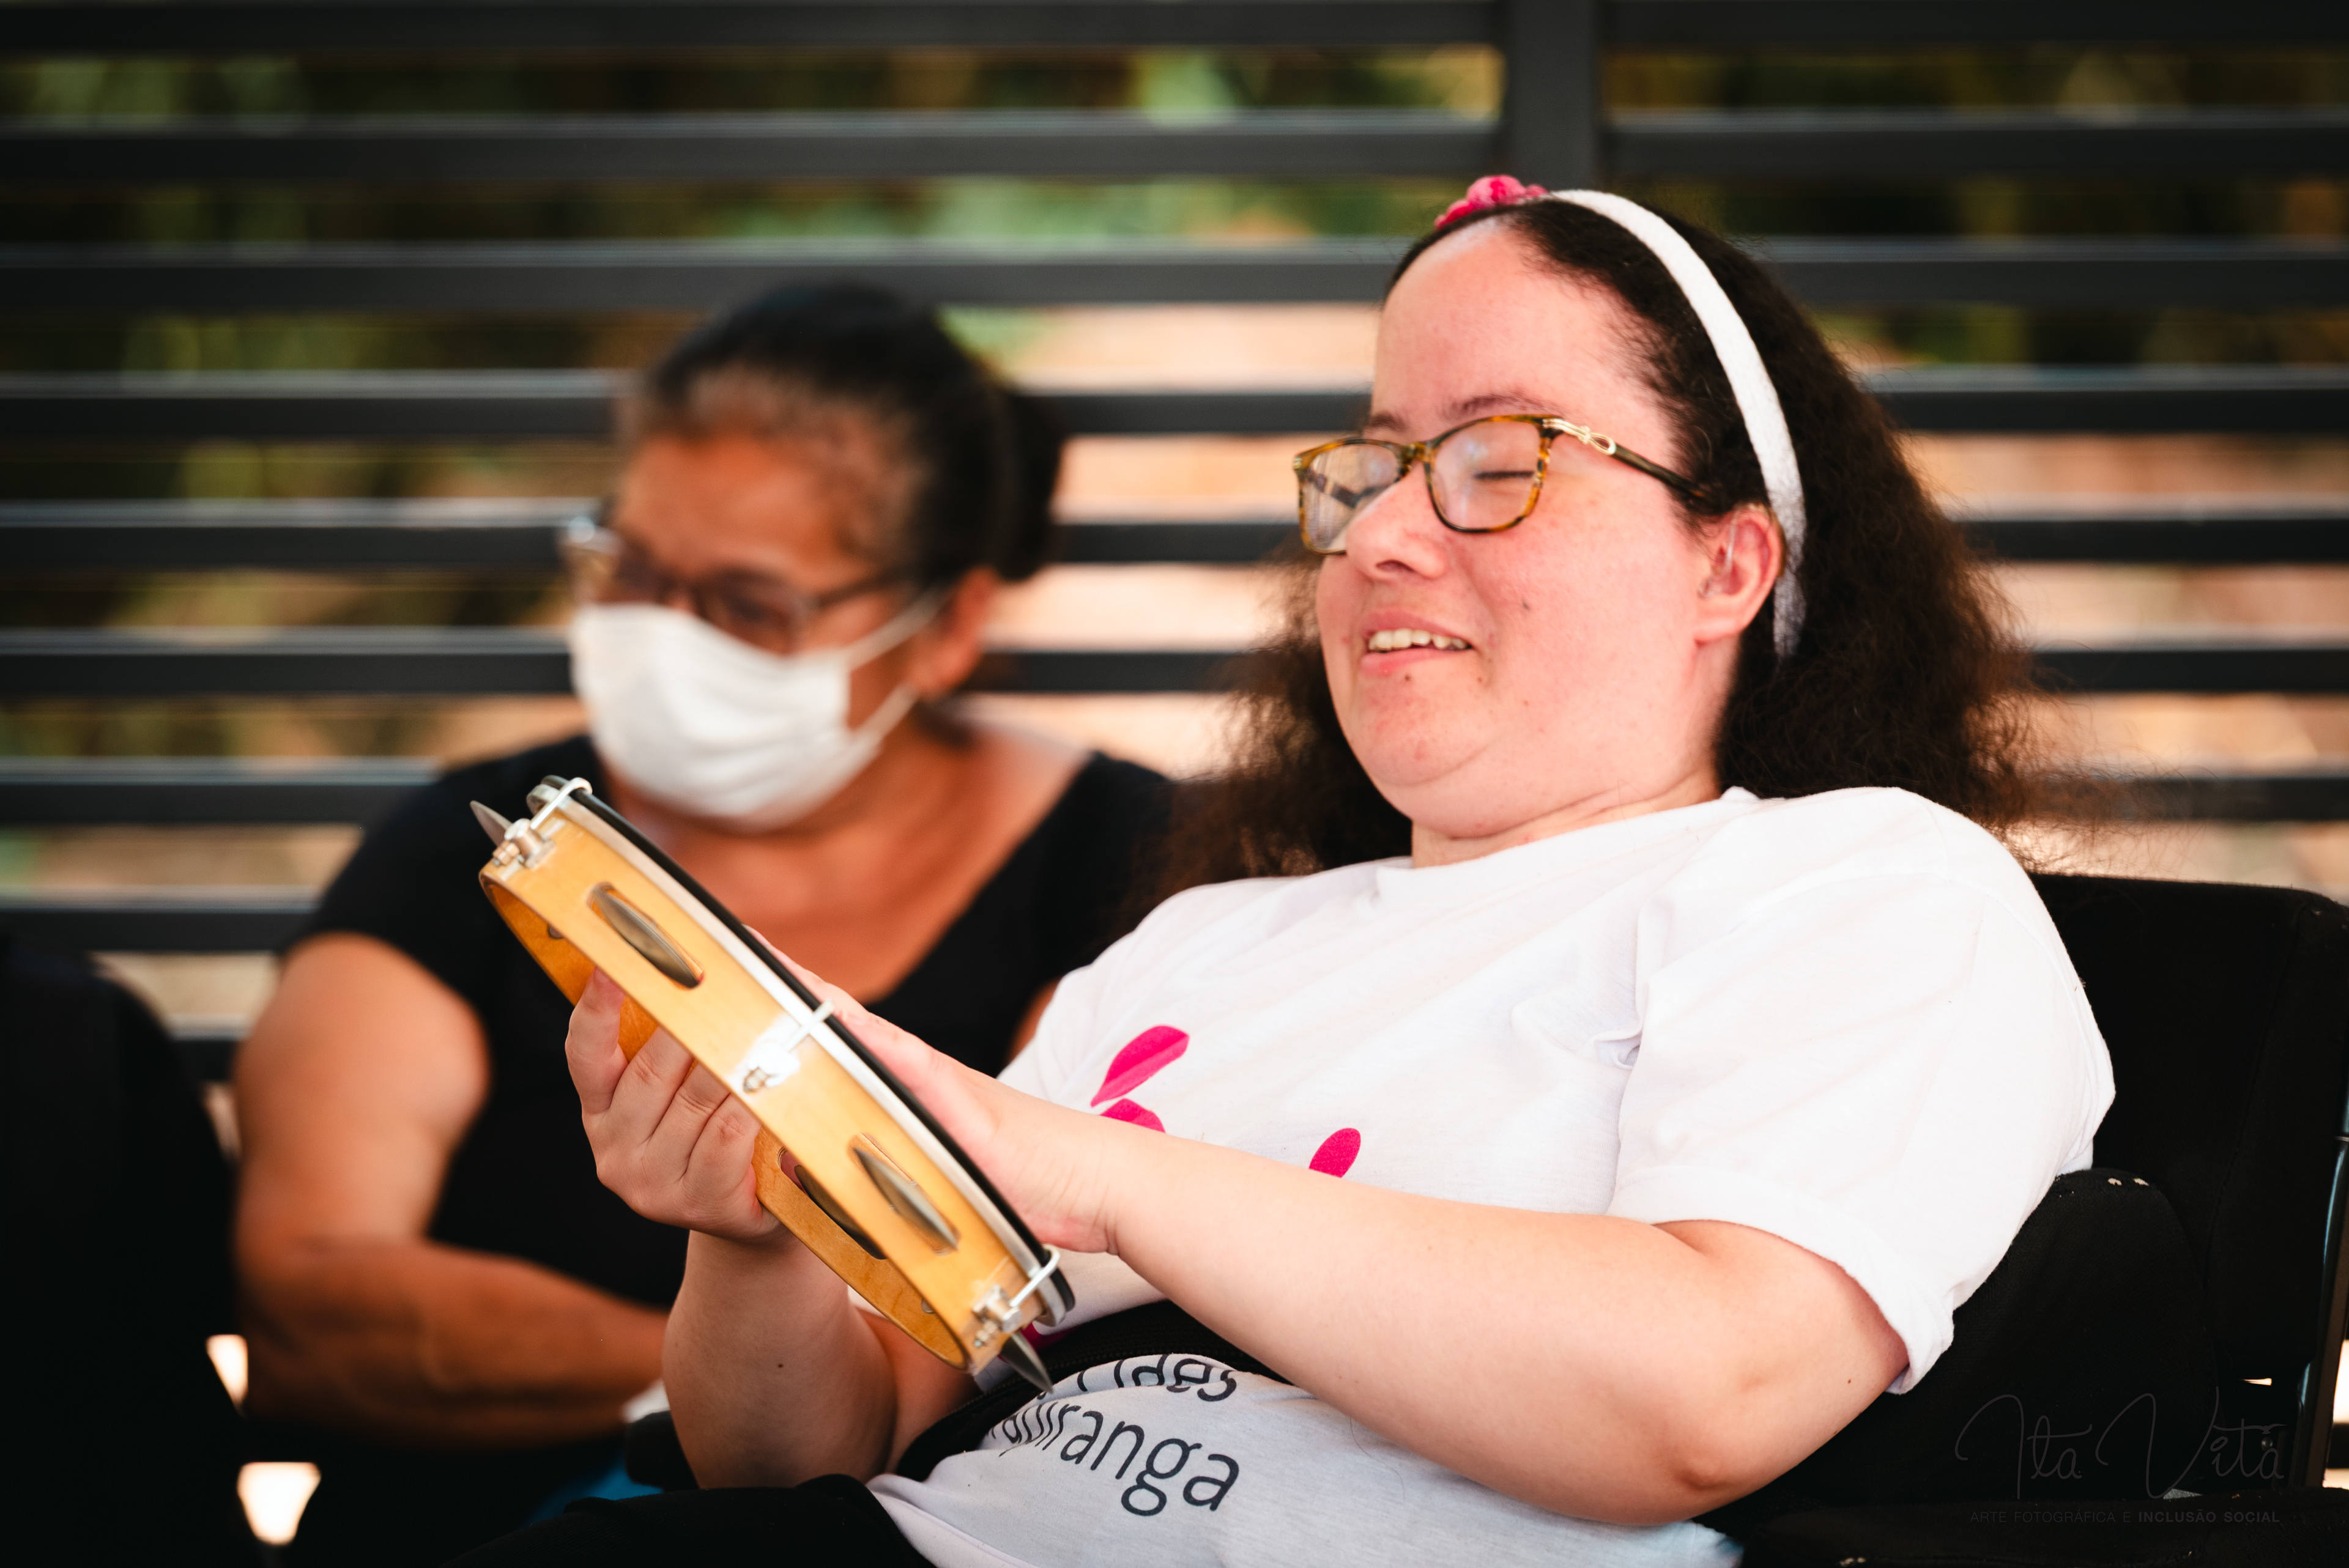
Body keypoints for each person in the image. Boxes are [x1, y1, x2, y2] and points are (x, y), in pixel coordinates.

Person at [467, 180, 2112, 1567]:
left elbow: (1706, 1395)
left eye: (1499, 460)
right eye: (1377, 466)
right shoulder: (1200, 944)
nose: (1383, 534)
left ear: (1728, 562)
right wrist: (758, 1232)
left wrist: (1108, 1180)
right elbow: (805, 1456)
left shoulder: (1865, 885)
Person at [232, 283, 1171, 1565]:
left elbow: (1032, 1327)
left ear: (946, 625)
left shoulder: (1132, 876)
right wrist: (701, 1380)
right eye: (629, 572)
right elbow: (309, 1298)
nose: (663, 638)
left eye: (746, 605)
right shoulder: (476, 852)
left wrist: (756, 1378)